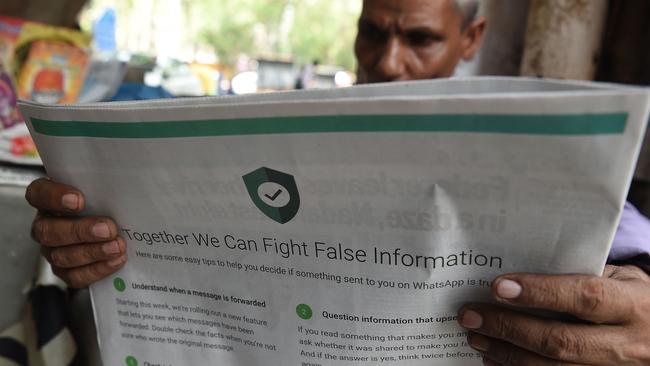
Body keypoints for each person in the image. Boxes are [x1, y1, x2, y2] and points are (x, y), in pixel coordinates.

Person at [25, 1, 650, 365]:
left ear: (470, 40)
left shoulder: (536, 164)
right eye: (373, 32)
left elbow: (631, 260)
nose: (388, 61)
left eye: (420, 39)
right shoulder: (289, 138)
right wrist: (92, 237)